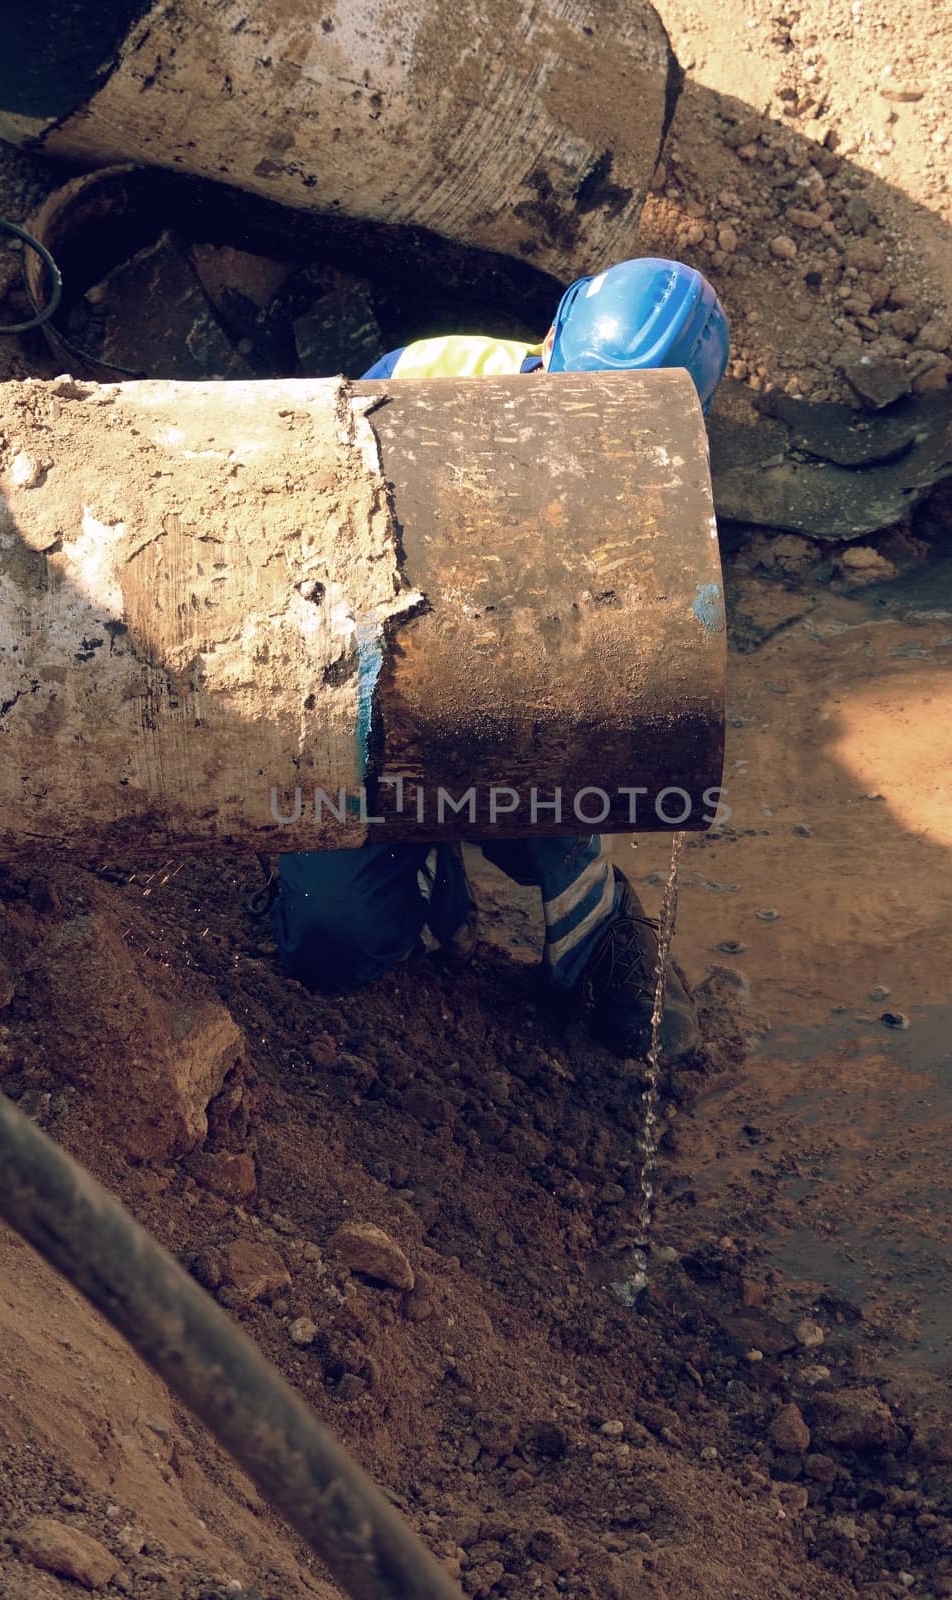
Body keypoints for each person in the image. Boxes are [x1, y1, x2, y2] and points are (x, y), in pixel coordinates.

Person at [271, 258, 730, 1063]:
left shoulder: (660, 480)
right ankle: (418, 859)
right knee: (332, 947)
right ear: (550, 338)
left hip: (514, 704)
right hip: (376, 674)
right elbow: (320, 553)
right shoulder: (427, 381)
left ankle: (600, 928)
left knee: (562, 790)